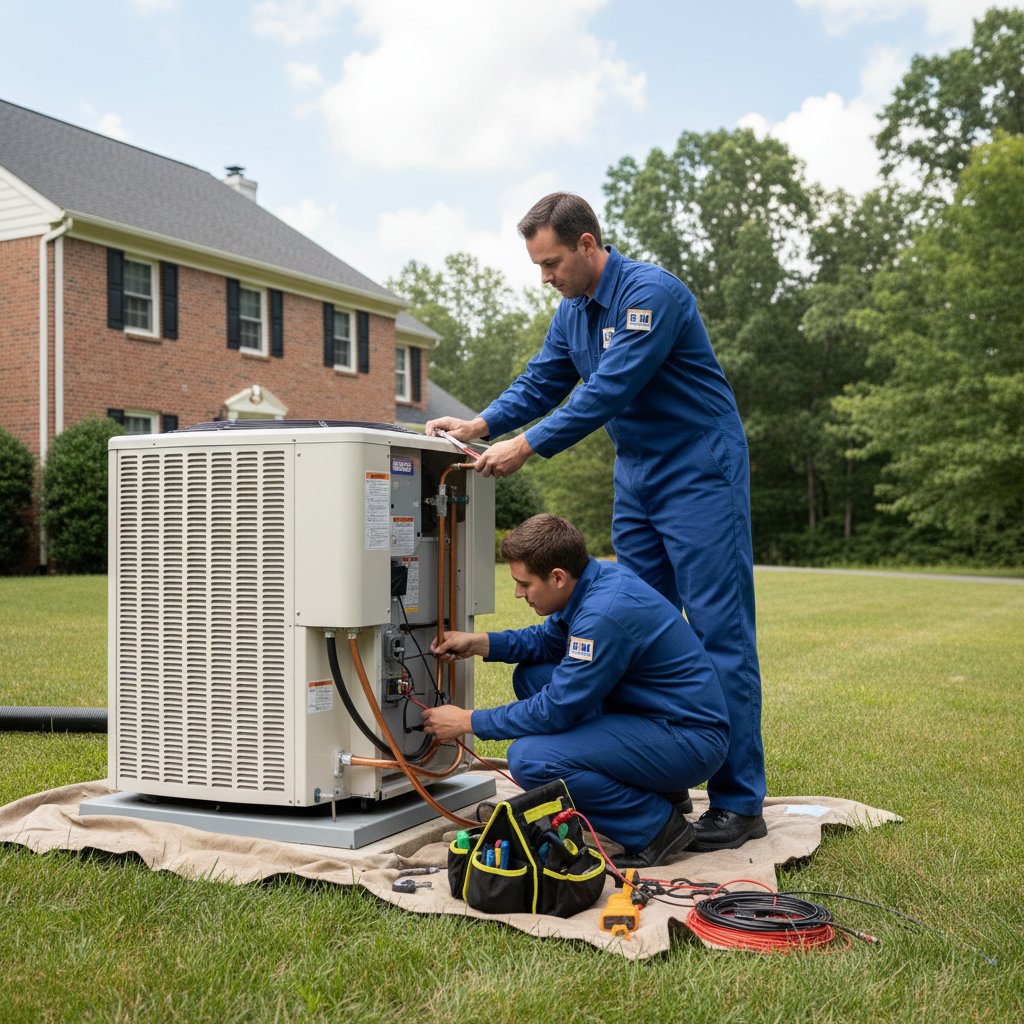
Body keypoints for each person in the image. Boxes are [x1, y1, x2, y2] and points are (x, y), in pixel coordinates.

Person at [426, 192, 767, 851]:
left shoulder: (651, 295)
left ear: (588, 245)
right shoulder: (572, 313)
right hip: (637, 475)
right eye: (539, 267)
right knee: (634, 629)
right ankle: (651, 786)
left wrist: (525, 446)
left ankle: (737, 803)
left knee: (721, 635)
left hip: (699, 471)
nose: (546, 278)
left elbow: (610, 386)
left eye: (553, 263)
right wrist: (482, 424)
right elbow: (544, 378)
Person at [420, 514, 730, 869]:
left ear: (557, 577)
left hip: (688, 740)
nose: (518, 593)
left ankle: (655, 827)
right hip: (654, 718)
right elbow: (548, 641)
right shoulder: (595, 581)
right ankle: (658, 792)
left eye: (524, 584)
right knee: (532, 675)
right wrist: (481, 642)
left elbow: (555, 709)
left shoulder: (603, 614)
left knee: (531, 759)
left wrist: (467, 721)